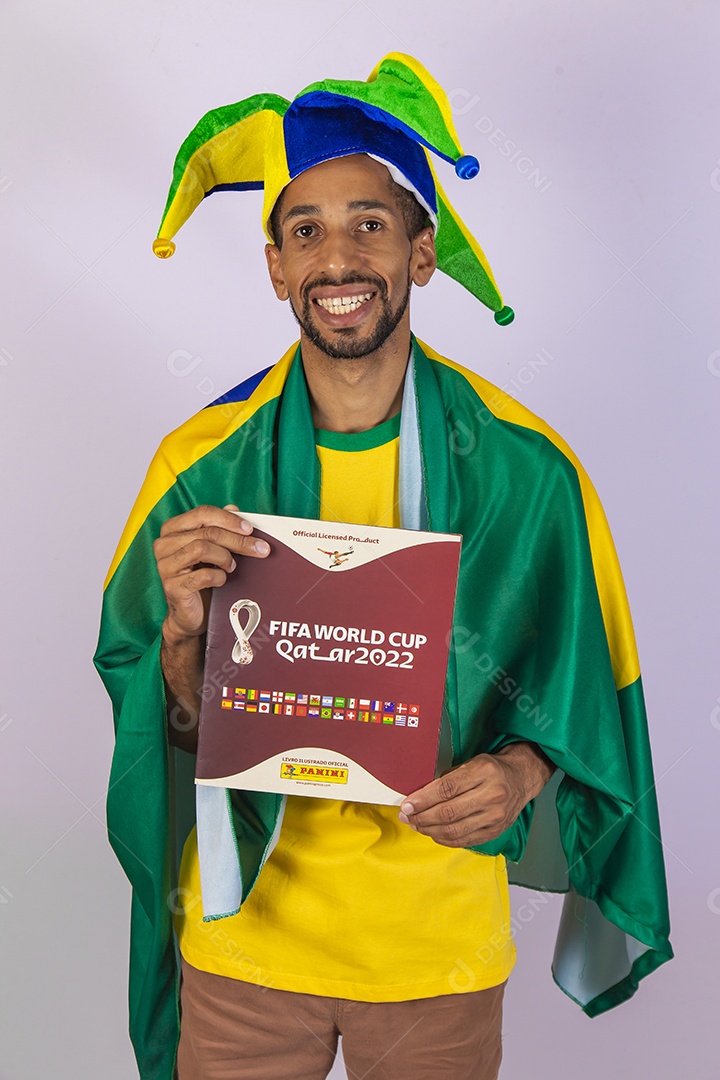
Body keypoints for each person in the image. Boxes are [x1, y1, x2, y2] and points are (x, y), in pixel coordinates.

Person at [94, 53, 672, 1080]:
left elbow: (587, 691)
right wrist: (182, 633)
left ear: (423, 249)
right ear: (276, 266)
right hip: (243, 946)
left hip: (435, 955)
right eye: (305, 229)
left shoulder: (525, 469)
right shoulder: (198, 466)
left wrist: (518, 772)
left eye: (370, 222)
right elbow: (171, 723)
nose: (338, 256)